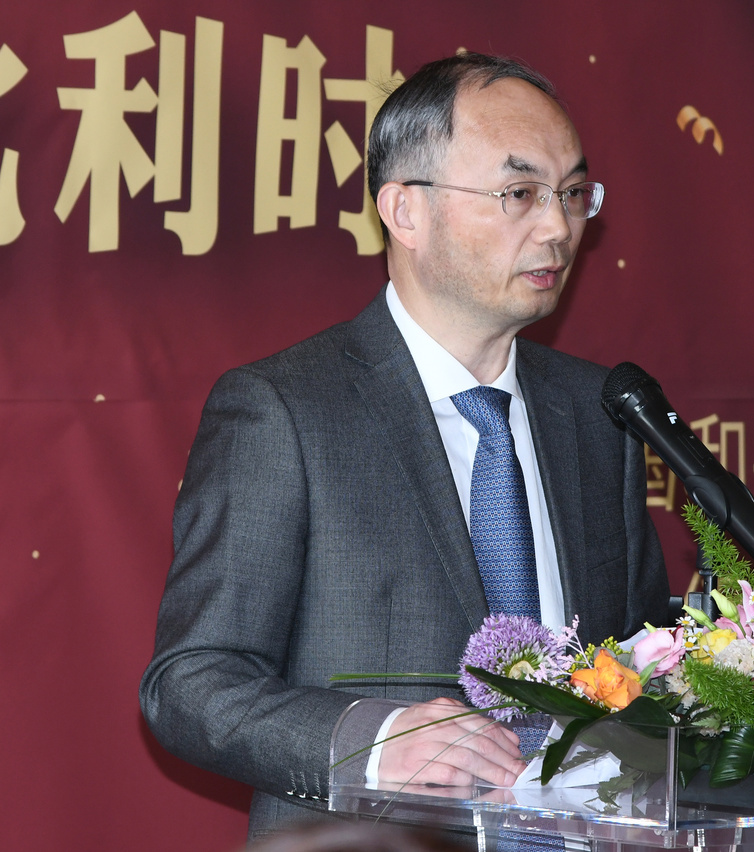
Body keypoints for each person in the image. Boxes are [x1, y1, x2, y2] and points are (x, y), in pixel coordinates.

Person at [140, 52, 670, 841]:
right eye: (520, 193)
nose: (558, 227)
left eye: (571, 194)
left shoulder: (599, 414)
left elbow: (641, 661)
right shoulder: (286, 409)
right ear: (405, 210)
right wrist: (377, 741)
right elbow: (191, 684)